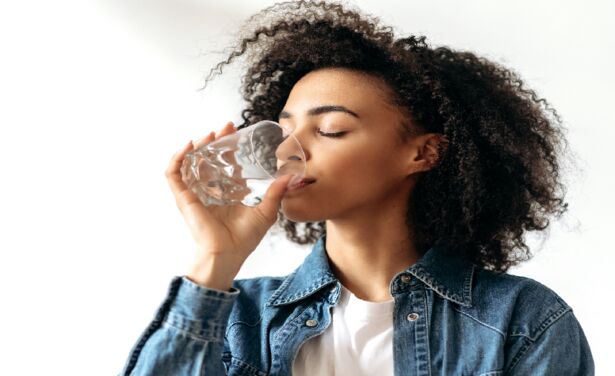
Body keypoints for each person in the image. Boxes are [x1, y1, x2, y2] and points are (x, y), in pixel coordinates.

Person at [119, 1, 594, 375]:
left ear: (424, 153)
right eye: (281, 129)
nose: (287, 151)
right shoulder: (241, 316)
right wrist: (215, 259)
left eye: (329, 129)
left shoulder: (525, 321)